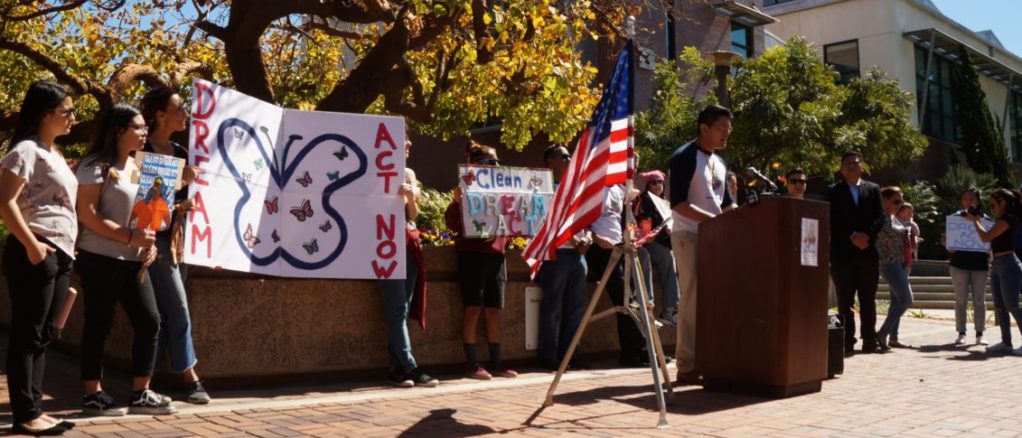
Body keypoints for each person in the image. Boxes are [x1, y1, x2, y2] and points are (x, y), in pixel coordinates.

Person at [75, 103, 175, 416]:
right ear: (119, 130)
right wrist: (129, 238)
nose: (145, 133)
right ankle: (93, 394)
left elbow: (148, 215)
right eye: (139, 127)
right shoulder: (95, 165)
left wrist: (149, 244)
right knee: (98, 324)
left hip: (134, 261)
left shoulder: (140, 168)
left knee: (150, 321)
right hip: (99, 258)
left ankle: (141, 391)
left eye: (145, 127)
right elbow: (87, 214)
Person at [0, 81, 79, 435]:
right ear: (45, 114)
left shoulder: (55, 153)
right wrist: (32, 244)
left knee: (44, 334)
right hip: (35, 249)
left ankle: (34, 408)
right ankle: (25, 413)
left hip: (59, 252)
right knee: (27, 334)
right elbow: (4, 201)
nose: (73, 118)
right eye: (67, 111)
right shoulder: (26, 151)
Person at [138, 86, 210, 404]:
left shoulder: (180, 152)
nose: (185, 114)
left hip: (180, 242)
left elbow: (180, 200)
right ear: (160, 115)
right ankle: (189, 376)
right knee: (179, 310)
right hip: (154, 242)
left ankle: (145, 379)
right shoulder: (140, 150)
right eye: (179, 108)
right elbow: (145, 202)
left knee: (169, 312)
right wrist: (181, 187)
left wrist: (187, 203)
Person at [669, 104, 737, 384]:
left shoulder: (720, 162)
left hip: (715, 237)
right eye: (721, 128)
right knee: (693, 298)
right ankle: (686, 365)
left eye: (729, 129)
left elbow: (725, 202)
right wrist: (713, 220)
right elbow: (678, 203)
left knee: (717, 299)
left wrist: (734, 210)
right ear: (704, 128)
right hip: (689, 235)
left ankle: (712, 358)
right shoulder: (684, 156)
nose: (726, 135)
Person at [445, 143, 517, 380]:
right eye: (489, 162)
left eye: (497, 162)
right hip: (472, 255)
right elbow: (453, 225)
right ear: (475, 165)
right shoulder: (463, 191)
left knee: (493, 310)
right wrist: (457, 203)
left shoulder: (504, 193)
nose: (494, 166)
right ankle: (472, 363)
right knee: (473, 308)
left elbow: (517, 220)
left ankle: (496, 362)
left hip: (496, 256)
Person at [378, 140, 439, 387]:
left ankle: (396, 368)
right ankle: (411, 366)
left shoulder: (409, 173)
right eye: (402, 139)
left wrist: (410, 197)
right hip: (385, 245)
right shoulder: (376, 170)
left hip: (409, 245)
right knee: (396, 309)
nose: (409, 143)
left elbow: (413, 215)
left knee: (402, 307)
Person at [535, 145, 591, 371]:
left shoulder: (578, 189)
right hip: (556, 253)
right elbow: (547, 222)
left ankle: (570, 355)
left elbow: (586, 219)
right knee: (552, 306)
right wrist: (573, 239)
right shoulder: (544, 189)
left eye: (570, 156)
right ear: (550, 161)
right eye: (564, 156)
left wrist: (586, 237)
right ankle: (548, 356)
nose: (569, 160)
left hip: (579, 255)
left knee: (575, 307)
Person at [586, 184, 649, 367]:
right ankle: (639, 349)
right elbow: (583, 219)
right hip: (600, 249)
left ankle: (632, 352)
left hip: (620, 247)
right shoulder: (593, 185)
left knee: (629, 299)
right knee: (624, 298)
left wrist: (629, 237)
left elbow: (622, 219)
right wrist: (597, 240)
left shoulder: (617, 189)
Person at [828, 151, 884, 354]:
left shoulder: (874, 189)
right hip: (843, 254)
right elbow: (832, 219)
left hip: (868, 254)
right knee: (845, 300)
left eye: (856, 163)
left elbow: (880, 217)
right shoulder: (833, 191)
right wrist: (852, 236)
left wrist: (866, 237)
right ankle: (846, 340)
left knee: (868, 299)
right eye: (848, 163)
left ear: (862, 167)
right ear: (842, 169)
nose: (852, 166)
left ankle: (869, 339)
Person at [966, 189, 1022, 356]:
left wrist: (975, 220)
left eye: (993, 204)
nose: (992, 208)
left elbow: (986, 237)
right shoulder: (1000, 219)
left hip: (1008, 264)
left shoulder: (1009, 219)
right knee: (1000, 306)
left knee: (1012, 305)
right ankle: (1006, 343)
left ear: (1003, 203)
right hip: (997, 264)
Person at [633, 170, 680, 327]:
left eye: (660, 182)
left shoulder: (665, 203)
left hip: (664, 242)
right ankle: (667, 309)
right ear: (648, 185)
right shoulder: (644, 199)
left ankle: (676, 309)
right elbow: (643, 225)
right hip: (647, 243)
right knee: (667, 257)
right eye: (654, 182)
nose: (657, 185)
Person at [945, 187, 988, 346]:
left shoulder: (986, 220)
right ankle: (961, 332)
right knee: (960, 300)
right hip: (958, 264)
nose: (968, 202)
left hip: (980, 265)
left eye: (971, 199)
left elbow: (989, 240)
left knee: (979, 300)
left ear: (978, 201)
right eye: (965, 198)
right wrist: (947, 244)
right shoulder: (955, 218)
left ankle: (980, 334)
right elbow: (948, 240)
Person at [875, 186, 914, 351]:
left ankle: (893, 337)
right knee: (906, 299)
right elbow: (888, 234)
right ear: (884, 200)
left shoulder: (893, 217)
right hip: (889, 263)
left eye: (901, 202)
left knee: (897, 301)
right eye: (896, 201)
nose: (899, 205)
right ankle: (882, 333)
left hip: (900, 262)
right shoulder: (879, 218)